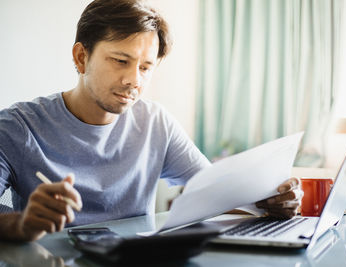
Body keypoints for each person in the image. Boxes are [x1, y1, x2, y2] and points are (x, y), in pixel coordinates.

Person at [0, 0, 302, 242]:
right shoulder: (17, 126)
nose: (134, 80)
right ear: (81, 57)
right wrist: (21, 224)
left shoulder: (156, 123)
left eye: (145, 67)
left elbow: (215, 189)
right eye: (121, 61)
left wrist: (269, 199)